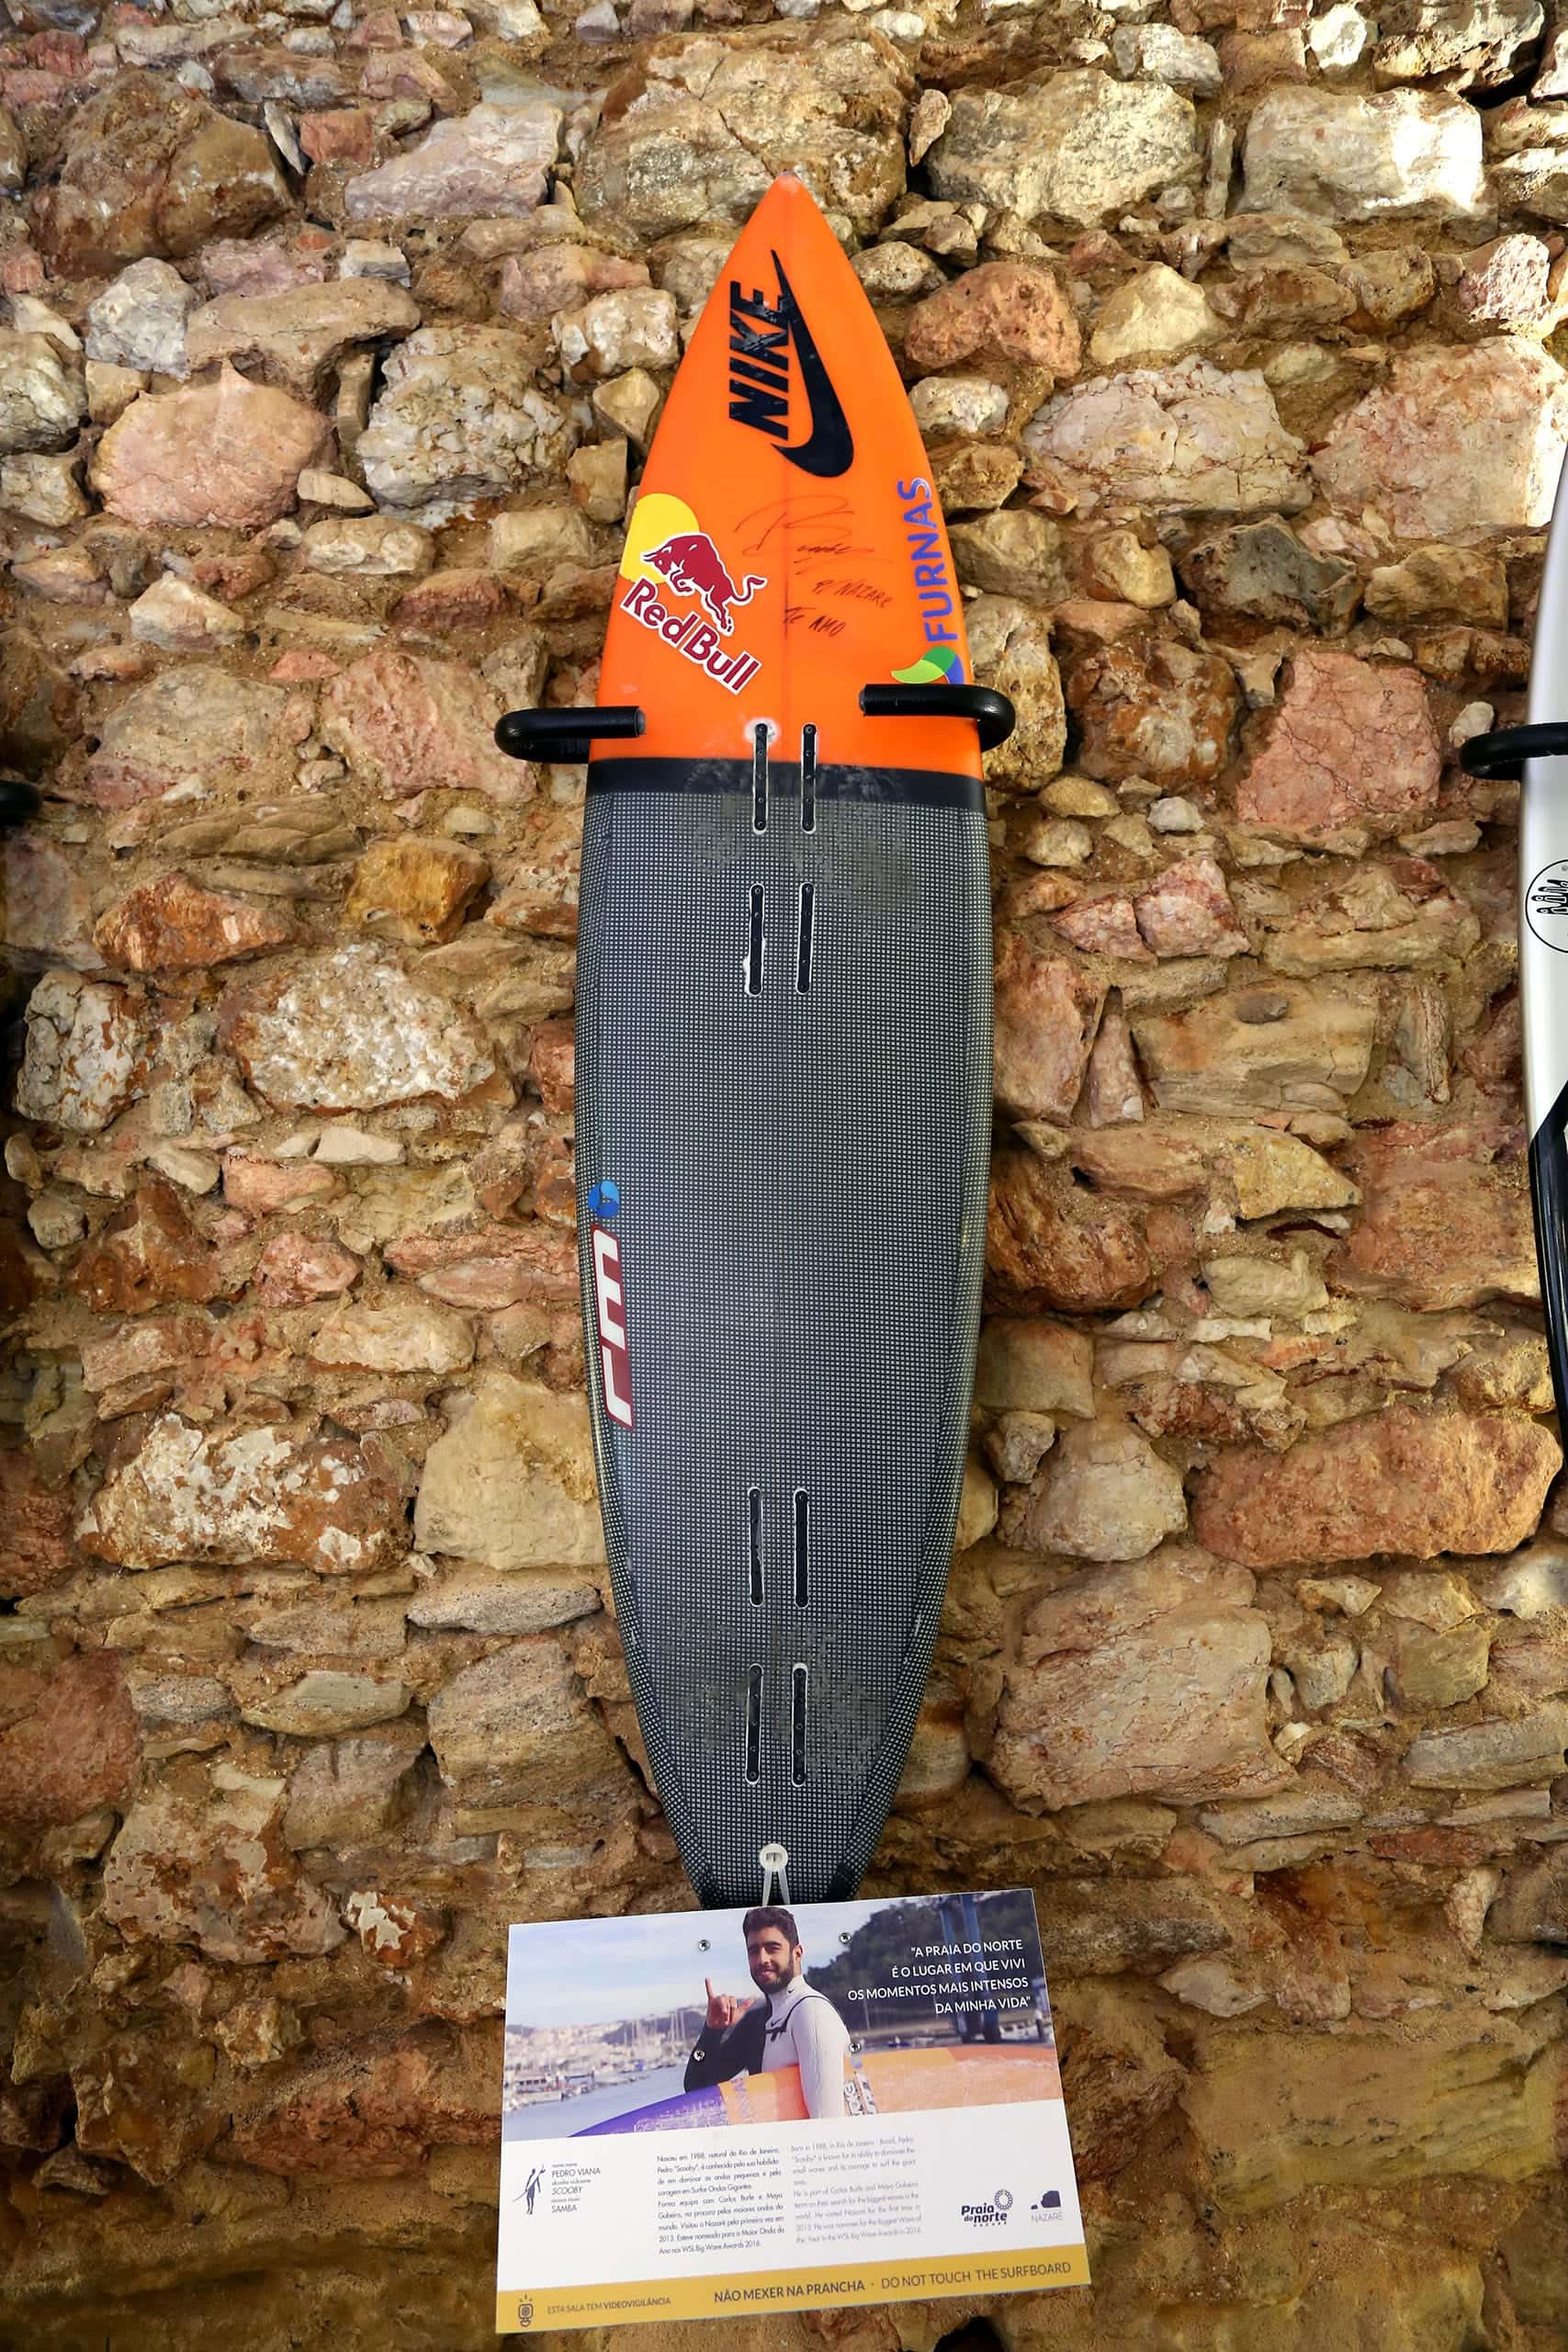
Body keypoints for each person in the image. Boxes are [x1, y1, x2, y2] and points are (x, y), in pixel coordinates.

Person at [684, 1905, 852, 2120]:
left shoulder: (811, 2011)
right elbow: (696, 2088)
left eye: (773, 1948)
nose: (762, 1959)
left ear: (797, 1953)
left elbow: (829, 2121)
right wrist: (711, 2031)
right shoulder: (755, 2024)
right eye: (754, 1951)